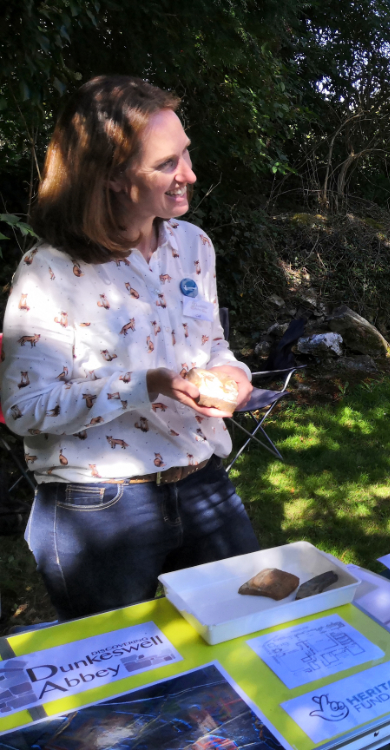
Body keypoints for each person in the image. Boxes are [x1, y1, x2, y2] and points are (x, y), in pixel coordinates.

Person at [0, 76, 259, 621]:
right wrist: (147, 384)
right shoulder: (50, 271)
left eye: (186, 153)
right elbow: (26, 411)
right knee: (122, 682)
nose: (189, 174)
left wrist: (233, 375)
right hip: (98, 508)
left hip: (203, 481)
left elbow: (212, 344)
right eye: (167, 163)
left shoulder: (193, 246)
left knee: (244, 636)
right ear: (113, 176)